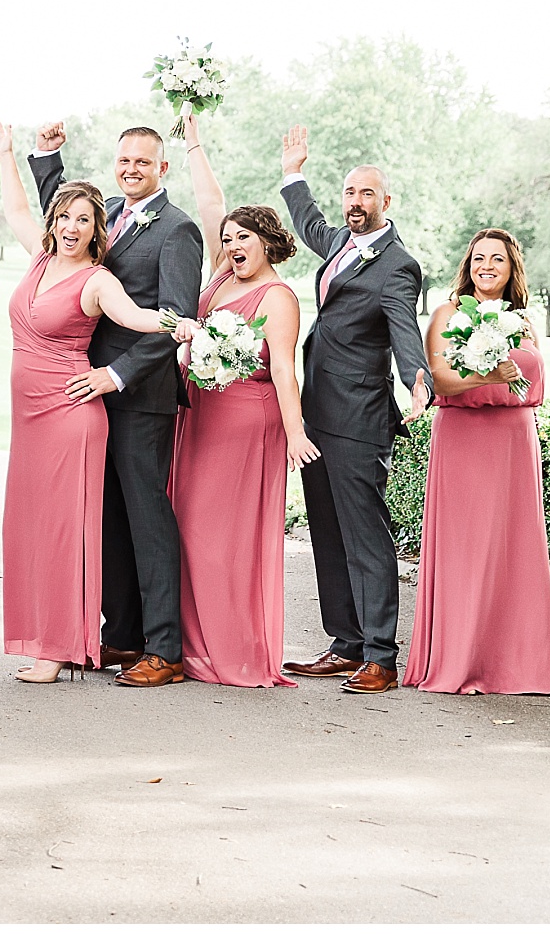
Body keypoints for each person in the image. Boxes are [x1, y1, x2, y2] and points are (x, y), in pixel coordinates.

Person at [0, 124, 172, 683]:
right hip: (31, 420)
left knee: (67, 531)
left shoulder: (97, 280)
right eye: (64, 218)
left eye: (83, 220)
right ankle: (46, 637)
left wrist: (179, 323)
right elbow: (17, 206)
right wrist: (5, 155)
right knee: (30, 527)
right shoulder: (41, 261)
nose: (71, 227)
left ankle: (61, 648)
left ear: (98, 231)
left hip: (71, 416)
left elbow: (137, 318)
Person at [30, 122, 205, 688]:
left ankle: (165, 648)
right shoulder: (105, 211)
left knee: (147, 518)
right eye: (124, 159)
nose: (131, 168)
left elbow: (176, 319)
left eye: (143, 162)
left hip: (139, 395)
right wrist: (46, 158)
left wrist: (118, 374)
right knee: (108, 518)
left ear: (163, 168)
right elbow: (66, 222)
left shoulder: (178, 231)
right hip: (86, 397)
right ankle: (122, 634)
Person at [164, 112, 319, 688]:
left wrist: (296, 432)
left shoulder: (276, 297)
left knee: (224, 539)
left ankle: (235, 650)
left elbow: (282, 368)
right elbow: (210, 202)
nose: (231, 246)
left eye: (242, 238)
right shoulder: (221, 280)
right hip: (201, 416)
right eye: (226, 239)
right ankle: (193, 644)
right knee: (188, 529)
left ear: (269, 242)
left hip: (248, 422)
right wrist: (194, 143)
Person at [278, 126, 432, 695]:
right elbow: (310, 224)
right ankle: (345, 644)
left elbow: (403, 328)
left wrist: (417, 379)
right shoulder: (341, 242)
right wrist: (294, 171)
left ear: (385, 203)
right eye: (349, 193)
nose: (355, 203)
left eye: (366, 195)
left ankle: (381, 657)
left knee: (366, 537)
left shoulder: (399, 266)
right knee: (327, 530)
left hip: (360, 420)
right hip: (316, 415)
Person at [403, 229, 550, 696]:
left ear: (512, 269)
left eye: (497, 260)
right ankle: (459, 660)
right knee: (464, 549)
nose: (485, 266)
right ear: (467, 264)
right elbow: (439, 381)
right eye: (478, 258)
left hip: (512, 442)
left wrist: (505, 370)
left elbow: (536, 380)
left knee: (512, 550)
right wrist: (489, 372)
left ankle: (514, 666)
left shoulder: (522, 319)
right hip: (462, 441)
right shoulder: (447, 313)